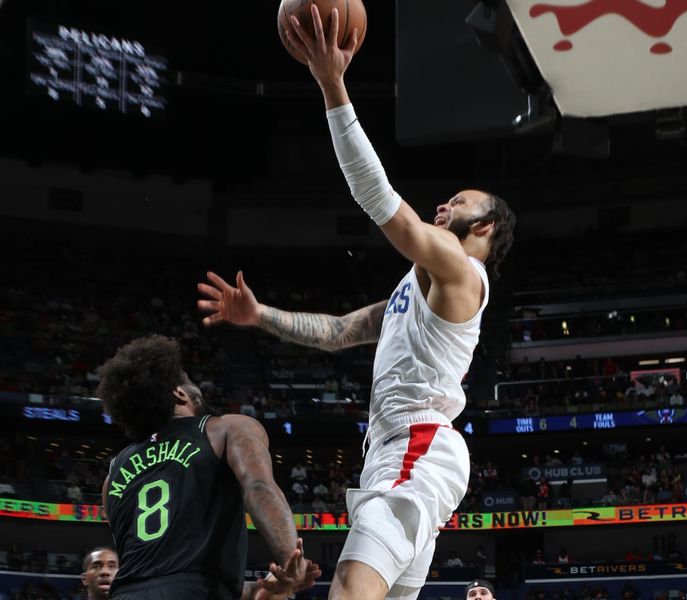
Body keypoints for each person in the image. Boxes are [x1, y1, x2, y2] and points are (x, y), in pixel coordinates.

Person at [198, 6, 515, 600]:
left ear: (488, 227)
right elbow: (341, 331)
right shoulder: (417, 287)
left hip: (416, 446)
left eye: (459, 201)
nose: (444, 206)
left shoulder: (461, 268)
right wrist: (259, 316)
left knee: (348, 590)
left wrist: (332, 85)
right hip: (401, 454)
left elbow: (380, 201)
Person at [97, 335, 319, 600]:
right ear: (179, 393)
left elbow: (146, 562)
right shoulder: (225, 428)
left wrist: (260, 588)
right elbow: (259, 486)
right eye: (189, 380)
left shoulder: (114, 473)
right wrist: (289, 557)